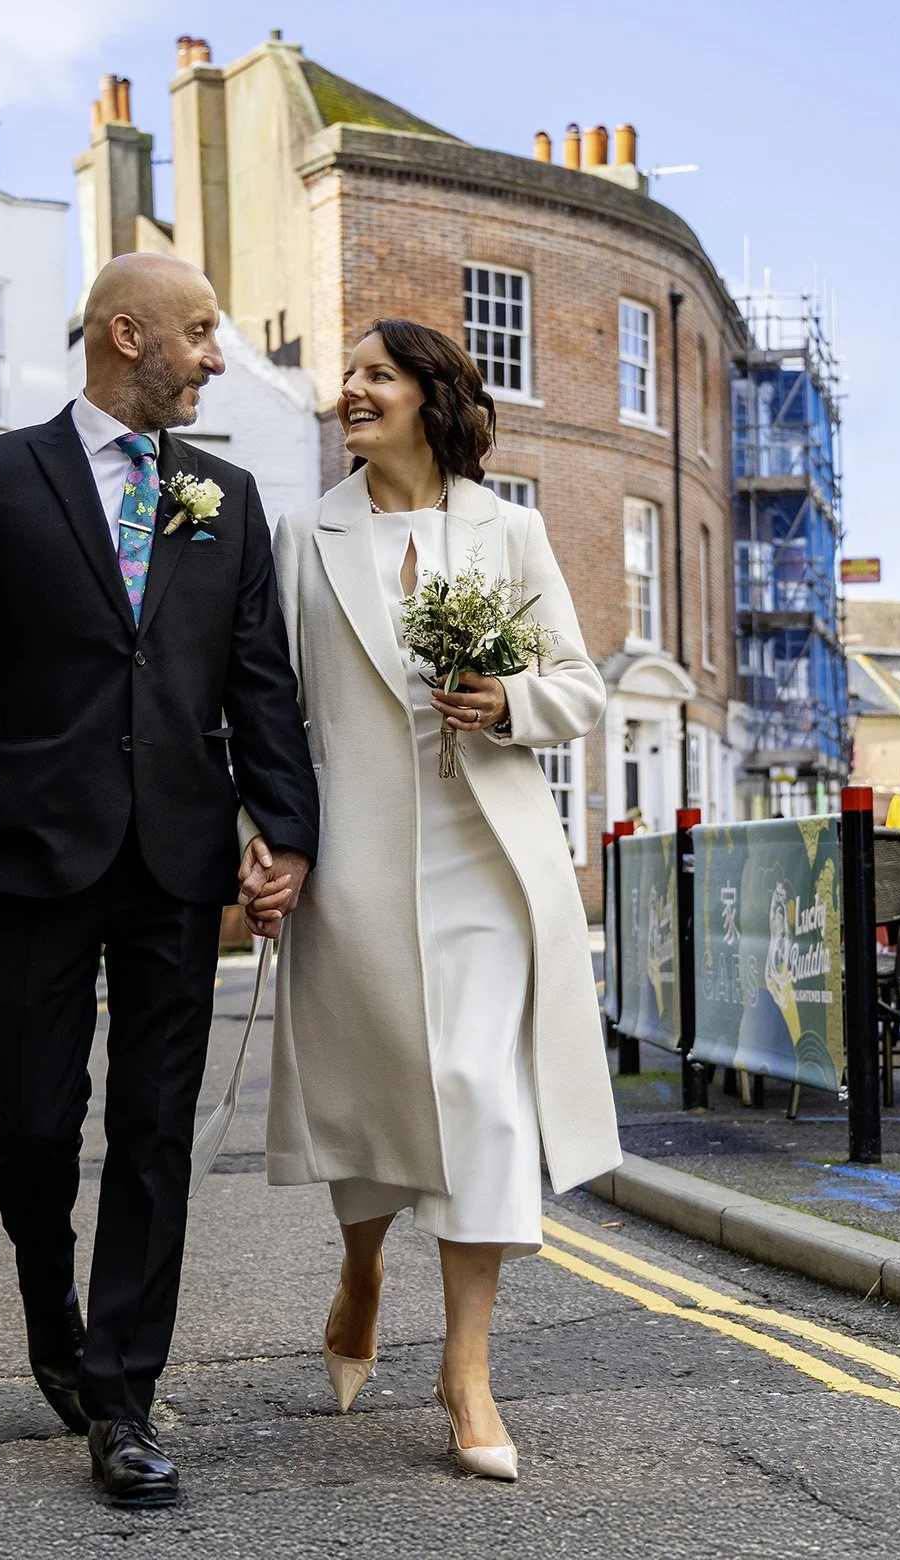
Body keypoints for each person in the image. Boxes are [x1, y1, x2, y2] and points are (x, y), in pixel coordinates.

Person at [0, 253, 319, 1510]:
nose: (217, 359)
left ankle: (124, 1394)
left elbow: (260, 691)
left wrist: (284, 835)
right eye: (200, 335)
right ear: (130, 336)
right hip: (31, 852)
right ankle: (49, 1309)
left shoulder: (225, 498)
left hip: (178, 863)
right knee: (33, 1121)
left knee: (154, 1134)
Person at [240, 320, 620, 1482]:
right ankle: (361, 1269)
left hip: (486, 857)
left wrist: (507, 700)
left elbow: (581, 687)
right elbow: (272, 714)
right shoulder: (303, 535)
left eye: (376, 376)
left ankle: (467, 1372)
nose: (351, 391)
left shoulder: (511, 531)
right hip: (351, 857)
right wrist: (268, 842)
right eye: (348, 377)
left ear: (428, 398)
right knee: (377, 1091)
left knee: (482, 1098)